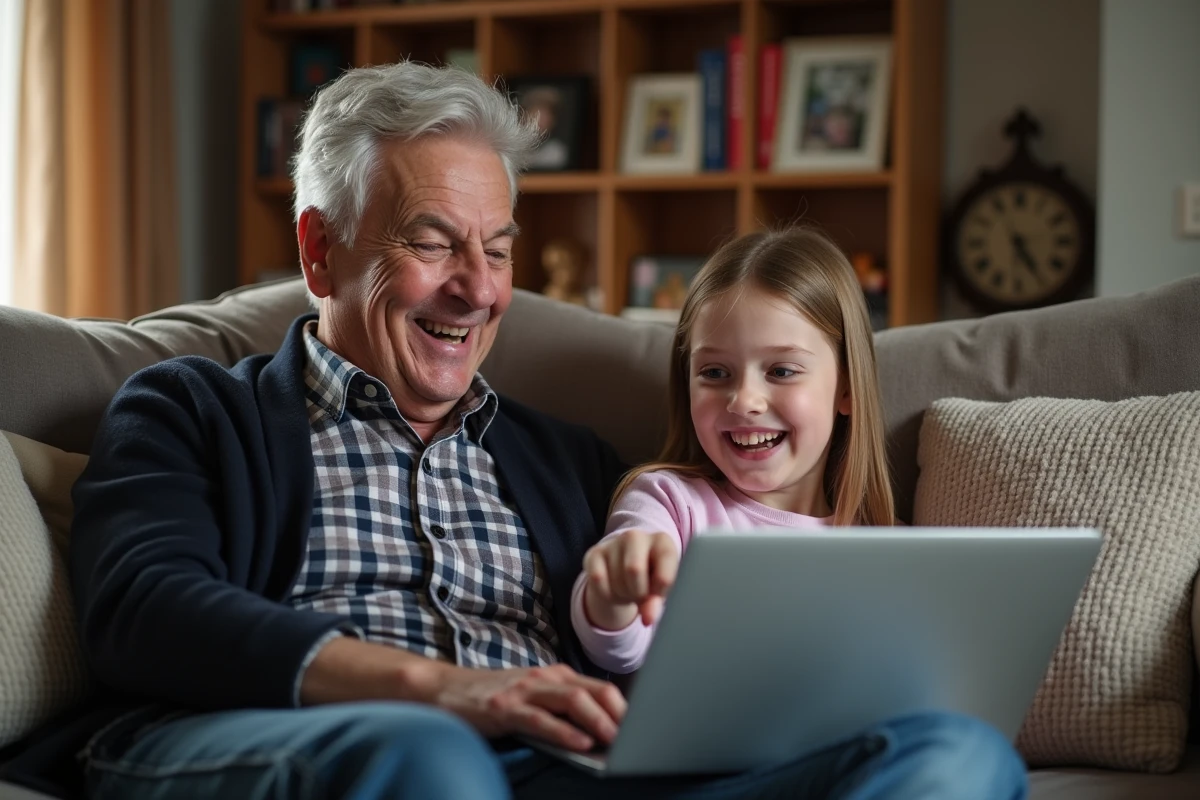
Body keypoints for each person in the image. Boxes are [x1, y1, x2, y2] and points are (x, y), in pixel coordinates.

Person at [4, 62, 1023, 800]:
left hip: (553, 772)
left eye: (496, 247)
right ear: (320, 251)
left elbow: (636, 644)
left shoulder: (566, 457)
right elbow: (145, 609)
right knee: (428, 753)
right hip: (287, 739)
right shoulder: (189, 411)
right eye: (433, 241)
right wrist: (446, 689)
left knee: (957, 755)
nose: (480, 287)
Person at [571, 228, 1029, 795]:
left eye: (782, 371)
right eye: (714, 373)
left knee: (973, 752)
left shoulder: (897, 551)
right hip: (695, 785)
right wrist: (613, 590)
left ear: (845, 389)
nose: (745, 401)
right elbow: (616, 642)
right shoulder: (669, 502)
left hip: (833, 778)